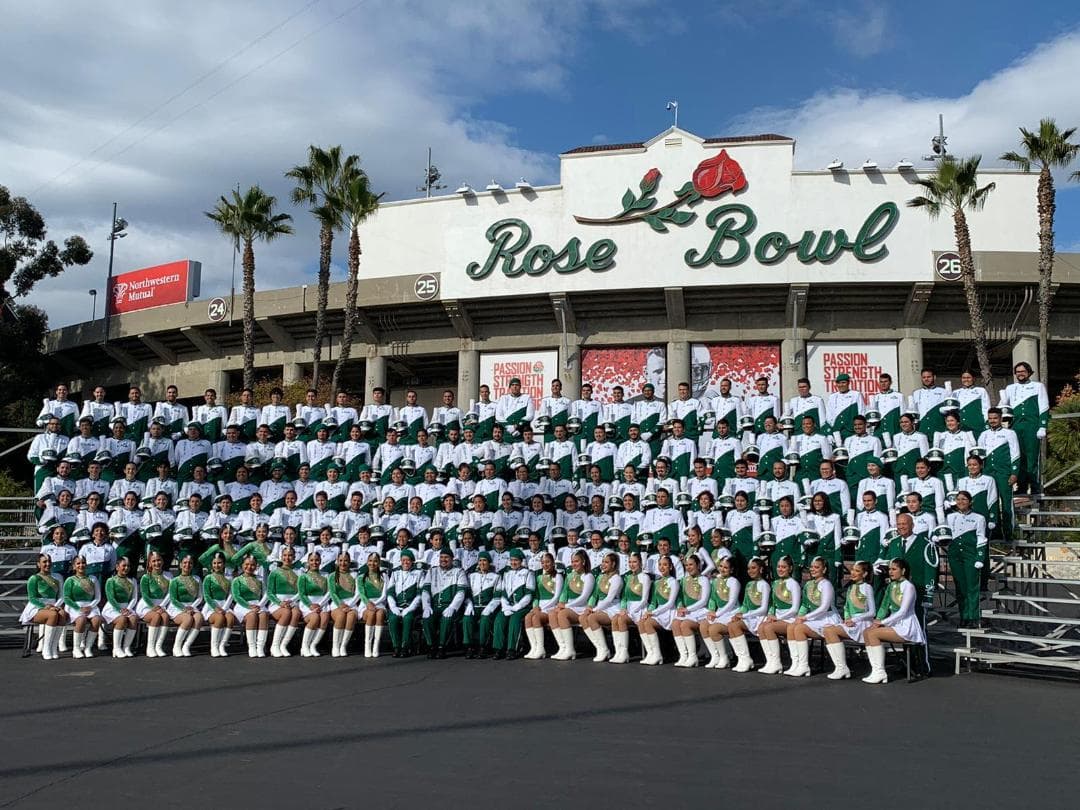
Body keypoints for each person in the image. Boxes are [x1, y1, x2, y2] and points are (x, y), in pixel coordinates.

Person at [862, 558, 927, 684]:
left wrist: (883, 622)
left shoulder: (909, 586)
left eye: (894, 569)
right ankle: (876, 670)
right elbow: (884, 606)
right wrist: (877, 620)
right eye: (889, 569)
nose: (890, 572)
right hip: (894, 624)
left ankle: (880, 672)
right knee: (867, 632)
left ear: (903, 571)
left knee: (873, 634)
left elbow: (903, 612)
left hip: (906, 626)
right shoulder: (891, 586)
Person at [821, 560, 878, 679]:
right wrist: (846, 618)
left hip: (863, 623)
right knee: (827, 630)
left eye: (857, 571)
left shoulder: (867, 587)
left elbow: (872, 612)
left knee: (830, 631)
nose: (852, 573)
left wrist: (855, 620)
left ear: (865, 574)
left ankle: (842, 668)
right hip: (851, 622)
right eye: (852, 570)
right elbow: (846, 606)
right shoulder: (851, 587)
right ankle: (840, 667)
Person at [785, 556, 841, 677]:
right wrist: (799, 617)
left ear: (824, 569)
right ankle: (796, 663)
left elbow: (824, 607)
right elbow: (805, 605)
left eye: (817, 567)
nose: (813, 569)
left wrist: (805, 618)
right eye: (812, 567)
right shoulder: (808, 584)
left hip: (827, 618)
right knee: (791, 626)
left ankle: (804, 666)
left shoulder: (826, 584)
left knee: (799, 628)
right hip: (814, 618)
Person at [1000, 361, 1049, 495]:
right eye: (1018, 371)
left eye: (1023, 371)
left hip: (1031, 425)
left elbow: (1044, 406)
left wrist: (1042, 425)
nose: (1020, 374)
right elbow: (1002, 406)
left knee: (1032, 456)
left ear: (1028, 372)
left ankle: (1034, 485)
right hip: (1015, 426)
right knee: (1018, 456)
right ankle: (1021, 486)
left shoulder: (1038, 386)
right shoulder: (1010, 388)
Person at [947, 491, 989, 629]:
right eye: (958, 499)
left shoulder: (979, 518)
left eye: (964, 499)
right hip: (955, 555)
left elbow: (981, 538)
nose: (960, 502)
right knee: (960, 587)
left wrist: (980, 557)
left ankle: (973, 617)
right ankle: (964, 616)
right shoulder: (950, 517)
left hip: (970, 555)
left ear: (970, 501)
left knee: (972, 587)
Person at [754, 555, 802, 675]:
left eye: (784, 567)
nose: (780, 569)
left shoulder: (793, 584)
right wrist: (770, 615)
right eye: (779, 566)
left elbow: (795, 609)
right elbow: (773, 604)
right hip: (778, 618)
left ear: (790, 568)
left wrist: (778, 618)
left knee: (768, 627)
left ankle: (777, 663)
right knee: (761, 627)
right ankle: (770, 661)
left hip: (790, 618)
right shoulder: (775, 583)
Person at [726, 557, 772, 672]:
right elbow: (745, 605)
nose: (750, 571)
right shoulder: (749, 585)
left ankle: (747, 659)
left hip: (760, 617)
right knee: (732, 624)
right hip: (750, 616)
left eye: (753, 568)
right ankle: (743, 659)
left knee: (735, 625)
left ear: (761, 569)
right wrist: (739, 613)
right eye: (748, 569)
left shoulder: (764, 585)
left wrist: (745, 616)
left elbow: (764, 609)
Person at [550, 549, 596, 660]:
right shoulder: (570, 575)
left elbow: (584, 598)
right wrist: (561, 603)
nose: (573, 564)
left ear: (583, 562)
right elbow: (564, 593)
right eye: (572, 561)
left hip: (582, 607)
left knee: (562, 614)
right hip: (571, 606)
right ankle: (563, 647)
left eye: (576, 561)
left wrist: (565, 606)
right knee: (552, 614)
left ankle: (570, 650)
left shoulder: (588, 576)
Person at [422, 546, 467, 658]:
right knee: (427, 618)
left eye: (446, 557)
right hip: (435, 605)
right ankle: (431, 646)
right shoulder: (432, 571)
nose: (443, 560)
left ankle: (442, 647)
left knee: (447, 619)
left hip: (449, 605)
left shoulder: (459, 571)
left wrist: (452, 607)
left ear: (452, 559)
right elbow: (425, 591)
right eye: (441, 557)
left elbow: (461, 593)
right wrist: (426, 606)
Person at [636, 553, 679, 665]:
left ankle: (658, 655)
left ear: (670, 567)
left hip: (669, 612)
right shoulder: (656, 582)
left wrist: (653, 613)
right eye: (660, 565)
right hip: (659, 612)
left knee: (648, 623)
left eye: (665, 565)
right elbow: (653, 602)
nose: (662, 567)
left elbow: (670, 603)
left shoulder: (673, 582)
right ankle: (651, 653)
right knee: (641, 622)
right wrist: (648, 611)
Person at [491, 547, 534, 659]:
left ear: (521, 561)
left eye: (516, 560)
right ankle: (498, 649)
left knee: (515, 620)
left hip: (523, 607)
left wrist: (517, 607)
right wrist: (505, 606)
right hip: (508, 606)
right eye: (512, 560)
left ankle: (512, 649)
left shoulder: (528, 573)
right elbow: (503, 593)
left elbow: (529, 595)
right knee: (499, 619)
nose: (514, 562)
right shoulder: (506, 573)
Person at [581, 551, 623, 662]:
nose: (603, 564)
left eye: (606, 562)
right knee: (582, 617)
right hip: (600, 607)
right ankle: (601, 648)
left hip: (612, 607)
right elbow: (594, 595)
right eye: (602, 562)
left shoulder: (616, 578)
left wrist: (594, 610)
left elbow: (609, 599)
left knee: (592, 618)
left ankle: (605, 650)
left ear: (613, 564)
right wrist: (589, 606)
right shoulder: (600, 577)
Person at [609, 551, 650, 664]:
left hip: (640, 609)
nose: (632, 564)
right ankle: (619, 651)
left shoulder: (645, 577)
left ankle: (625, 652)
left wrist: (632, 611)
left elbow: (644, 599)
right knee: (615, 618)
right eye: (630, 562)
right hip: (629, 608)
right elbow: (624, 597)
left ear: (640, 563)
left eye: (635, 562)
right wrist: (623, 608)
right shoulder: (628, 578)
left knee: (621, 619)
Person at [22, 554, 66, 660]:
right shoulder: (34, 578)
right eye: (44, 562)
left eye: (49, 561)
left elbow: (61, 596)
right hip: (36, 607)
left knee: (62, 614)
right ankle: (46, 649)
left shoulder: (58, 577)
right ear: (38, 564)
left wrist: (55, 606)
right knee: (53, 615)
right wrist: (46, 607)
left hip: (54, 606)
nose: (48, 564)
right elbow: (32, 598)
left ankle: (53, 648)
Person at [671, 554, 710, 667]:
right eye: (686, 565)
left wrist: (687, 609)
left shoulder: (704, 579)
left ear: (698, 565)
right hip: (688, 611)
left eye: (691, 564)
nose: (688, 567)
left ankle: (693, 657)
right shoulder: (684, 580)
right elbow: (679, 597)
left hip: (700, 611)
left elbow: (703, 601)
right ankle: (684, 655)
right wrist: (680, 606)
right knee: (675, 624)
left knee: (685, 625)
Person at [523, 552, 564, 660]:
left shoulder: (558, 576)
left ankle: (541, 649)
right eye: (543, 562)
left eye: (547, 562)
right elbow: (536, 596)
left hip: (551, 607)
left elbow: (557, 597)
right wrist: (535, 606)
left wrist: (542, 608)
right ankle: (534, 647)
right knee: (528, 617)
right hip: (540, 607)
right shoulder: (539, 577)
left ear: (553, 563)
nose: (545, 564)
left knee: (536, 618)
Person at [702, 557, 741, 668]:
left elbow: (732, 602)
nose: (722, 569)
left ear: (731, 570)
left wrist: (717, 614)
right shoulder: (715, 581)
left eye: (726, 567)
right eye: (721, 566)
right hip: (719, 612)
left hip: (731, 612)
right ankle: (715, 656)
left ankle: (725, 657)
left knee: (713, 629)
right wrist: (711, 610)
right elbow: (713, 599)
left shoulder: (734, 582)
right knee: (703, 625)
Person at [463, 551, 502, 658]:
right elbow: (466, 594)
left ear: (489, 562)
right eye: (480, 560)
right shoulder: (471, 576)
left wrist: (490, 608)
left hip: (488, 607)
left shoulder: (496, 576)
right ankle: (469, 647)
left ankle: (482, 647)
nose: (482, 563)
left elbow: (497, 596)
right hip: (474, 606)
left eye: (484, 560)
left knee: (485, 619)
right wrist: (469, 604)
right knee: (467, 618)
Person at [266, 546, 302, 657]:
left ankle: (283, 645)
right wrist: (280, 603)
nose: (287, 558)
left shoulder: (298, 572)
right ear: (281, 557)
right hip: (277, 604)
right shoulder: (274, 572)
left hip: (292, 602)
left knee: (296, 613)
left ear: (294, 557)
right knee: (286, 613)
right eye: (285, 555)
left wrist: (292, 601)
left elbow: (301, 591)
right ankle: (274, 645)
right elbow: (269, 593)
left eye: (290, 555)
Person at [231, 554, 270, 657]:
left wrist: (260, 605)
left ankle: (260, 647)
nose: (249, 567)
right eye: (247, 564)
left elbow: (266, 594)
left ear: (256, 566)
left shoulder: (260, 579)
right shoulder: (237, 580)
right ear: (242, 565)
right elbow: (236, 597)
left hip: (258, 604)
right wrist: (249, 606)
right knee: (252, 615)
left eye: (252, 565)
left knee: (264, 615)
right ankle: (252, 647)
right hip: (242, 606)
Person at [387, 548, 424, 657]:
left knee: (407, 619)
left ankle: (405, 647)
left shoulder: (418, 573)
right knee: (392, 619)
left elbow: (419, 594)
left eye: (408, 560)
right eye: (403, 560)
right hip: (397, 606)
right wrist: (393, 607)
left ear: (412, 561)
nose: (405, 562)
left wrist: (410, 608)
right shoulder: (395, 573)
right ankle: (396, 647)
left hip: (411, 607)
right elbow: (390, 592)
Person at [166, 553, 204, 657]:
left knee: (199, 617)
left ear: (193, 565)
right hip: (177, 607)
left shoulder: (197, 579)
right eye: (185, 563)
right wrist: (184, 608)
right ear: (180, 565)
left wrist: (192, 607)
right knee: (188, 619)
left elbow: (200, 597)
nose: (187, 565)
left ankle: (186, 646)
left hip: (192, 607)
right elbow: (173, 598)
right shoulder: (175, 580)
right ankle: (176, 647)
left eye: (190, 563)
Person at [137, 551, 173, 658]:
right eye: (153, 561)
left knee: (165, 616)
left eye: (158, 560)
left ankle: (158, 646)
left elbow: (170, 593)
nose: (156, 563)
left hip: (163, 605)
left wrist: (161, 606)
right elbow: (145, 595)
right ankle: (150, 647)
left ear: (162, 561)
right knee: (156, 616)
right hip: (147, 606)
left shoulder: (169, 575)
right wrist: (154, 607)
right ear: (149, 563)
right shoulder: (146, 577)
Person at [201, 552, 236, 657]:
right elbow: (206, 596)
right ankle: (214, 647)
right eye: (215, 563)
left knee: (230, 618)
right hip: (211, 606)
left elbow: (231, 595)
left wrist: (224, 608)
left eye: (219, 563)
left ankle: (222, 645)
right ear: (212, 564)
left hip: (225, 605)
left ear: (224, 564)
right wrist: (216, 608)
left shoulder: (229, 578)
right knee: (220, 618)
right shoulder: (208, 578)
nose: (217, 565)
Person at [103, 556, 139, 658]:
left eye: (128, 566)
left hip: (127, 608)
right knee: (122, 619)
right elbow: (110, 598)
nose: (126, 568)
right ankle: (116, 648)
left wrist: (128, 608)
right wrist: (120, 609)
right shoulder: (111, 580)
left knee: (134, 618)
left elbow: (134, 598)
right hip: (112, 608)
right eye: (124, 566)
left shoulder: (132, 581)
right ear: (117, 567)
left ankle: (126, 647)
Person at [298, 551, 331, 656]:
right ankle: (304, 647)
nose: (314, 562)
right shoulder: (303, 576)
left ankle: (313, 645)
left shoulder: (326, 575)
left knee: (325, 618)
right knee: (315, 618)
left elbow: (329, 592)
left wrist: (320, 604)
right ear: (308, 561)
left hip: (322, 602)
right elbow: (302, 594)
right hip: (308, 603)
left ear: (320, 561)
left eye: (317, 560)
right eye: (311, 560)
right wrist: (310, 605)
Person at [327, 552, 360, 657]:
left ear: (349, 562)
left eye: (346, 560)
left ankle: (343, 646)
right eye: (340, 560)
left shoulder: (355, 575)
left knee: (351, 617)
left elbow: (358, 593)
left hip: (352, 603)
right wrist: (341, 604)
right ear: (337, 561)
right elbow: (332, 593)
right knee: (341, 616)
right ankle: (335, 646)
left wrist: (349, 605)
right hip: (337, 603)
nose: (343, 563)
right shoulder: (332, 575)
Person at [358, 552, 388, 657]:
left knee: (379, 615)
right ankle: (367, 645)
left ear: (379, 563)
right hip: (365, 604)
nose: (372, 563)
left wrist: (374, 604)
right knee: (371, 614)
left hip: (379, 603)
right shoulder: (361, 577)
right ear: (367, 562)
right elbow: (361, 593)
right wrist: (368, 603)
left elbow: (384, 595)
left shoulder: (384, 576)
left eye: (375, 561)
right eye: (370, 561)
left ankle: (376, 646)